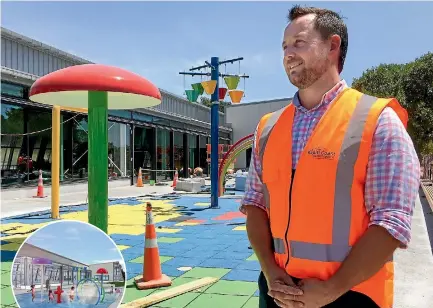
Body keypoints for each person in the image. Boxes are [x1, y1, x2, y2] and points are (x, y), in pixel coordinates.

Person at [241, 5, 420, 308]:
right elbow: (255, 205)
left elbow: (392, 222)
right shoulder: (268, 128)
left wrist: (331, 289)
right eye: (285, 46)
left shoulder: (377, 121)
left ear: (333, 46)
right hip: (277, 290)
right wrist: (270, 272)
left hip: (352, 294)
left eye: (299, 42)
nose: (288, 53)